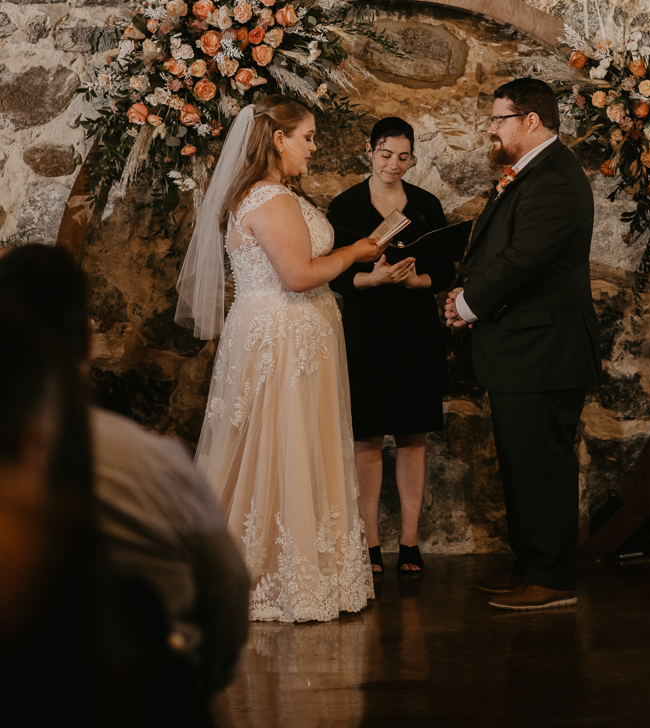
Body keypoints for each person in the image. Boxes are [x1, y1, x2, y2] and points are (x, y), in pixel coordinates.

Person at [0, 243, 248, 706]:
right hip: (151, 694)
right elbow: (228, 592)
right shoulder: (160, 463)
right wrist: (194, 684)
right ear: (88, 340)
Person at [176, 94, 382, 623]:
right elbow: (298, 275)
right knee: (276, 447)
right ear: (278, 139)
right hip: (283, 338)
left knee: (277, 448)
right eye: (308, 137)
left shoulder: (269, 194)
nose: (313, 148)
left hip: (287, 334)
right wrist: (354, 253)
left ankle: (274, 565)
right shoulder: (269, 198)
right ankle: (270, 574)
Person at [445, 77, 602, 611]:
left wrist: (468, 304)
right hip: (521, 348)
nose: (491, 129)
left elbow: (524, 259)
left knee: (543, 466)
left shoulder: (555, 179)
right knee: (519, 464)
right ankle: (530, 564)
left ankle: (554, 578)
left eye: (498, 119)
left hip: (545, 349)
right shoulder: (531, 173)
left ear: (531, 121)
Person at [327, 117, 454, 577]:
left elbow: (444, 269)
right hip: (365, 329)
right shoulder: (345, 206)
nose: (393, 164)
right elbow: (334, 274)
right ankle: (369, 545)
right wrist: (373, 277)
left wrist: (418, 280)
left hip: (414, 329)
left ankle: (410, 542)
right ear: (369, 150)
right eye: (385, 154)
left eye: (404, 157)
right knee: (366, 437)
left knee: (412, 436)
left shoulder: (426, 204)